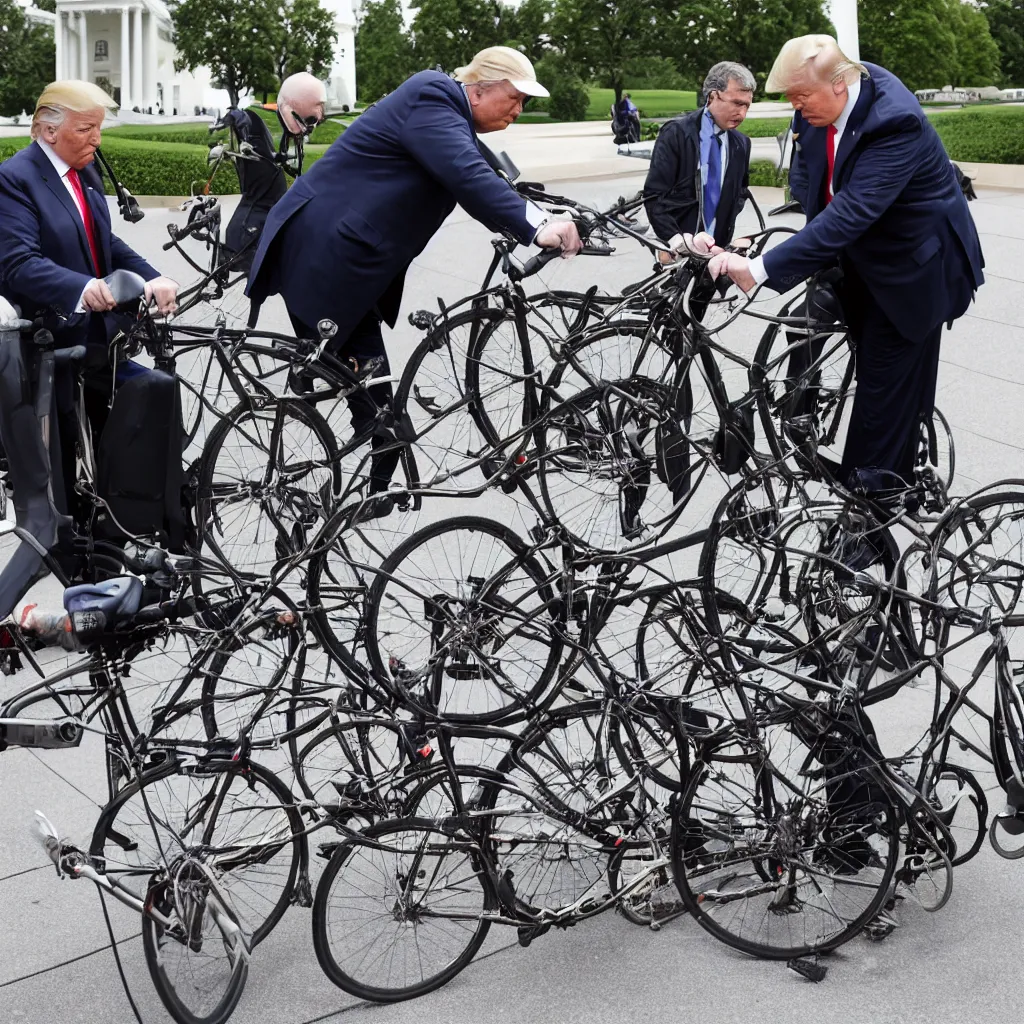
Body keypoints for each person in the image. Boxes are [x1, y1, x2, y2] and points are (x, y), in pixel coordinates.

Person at [246, 46, 582, 499]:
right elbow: (466, 175)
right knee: (371, 404)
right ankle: (314, 489)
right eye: (515, 98)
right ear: (479, 89)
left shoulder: (449, 117)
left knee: (377, 406)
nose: (519, 111)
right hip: (324, 255)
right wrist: (536, 227)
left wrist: (551, 211)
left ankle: (363, 493)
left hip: (344, 259)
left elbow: (486, 175)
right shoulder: (433, 96)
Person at [709, 36, 984, 493]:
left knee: (881, 395)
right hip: (861, 254)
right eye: (790, 98)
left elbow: (853, 212)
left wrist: (759, 270)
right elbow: (812, 179)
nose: (795, 107)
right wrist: (800, 250)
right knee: (814, 327)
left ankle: (869, 513)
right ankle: (863, 442)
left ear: (839, 84)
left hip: (916, 270)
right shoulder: (815, 104)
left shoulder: (897, 121)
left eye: (801, 97)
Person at [0, 80, 182, 606]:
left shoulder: (84, 172)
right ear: (47, 130)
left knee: (147, 399)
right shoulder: (14, 181)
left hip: (99, 339)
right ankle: (79, 577)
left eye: (99, 128)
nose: (97, 139)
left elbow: (107, 244)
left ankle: (126, 538)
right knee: (58, 478)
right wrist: (82, 288)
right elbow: (17, 263)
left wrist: (151, 277)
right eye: (87, 129)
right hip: (45, 348)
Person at [643, 61, 755, 319]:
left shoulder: (741, 143)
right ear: (713, 96)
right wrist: (672, 239)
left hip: (714, 255)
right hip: (677, 252)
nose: (742, 112)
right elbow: (654, 195)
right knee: (666, 324)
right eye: (737, 103)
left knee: (694, 326)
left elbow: (740, 191)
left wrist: (726, 234)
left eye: (747, 105)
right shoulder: (677, 133)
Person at [220, 73, 327, 272]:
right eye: (310, 120)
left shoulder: (286, 126)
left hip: (271, 206)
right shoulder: (256, 117)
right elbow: (240, 116)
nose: (309, 129)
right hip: (254, 218)